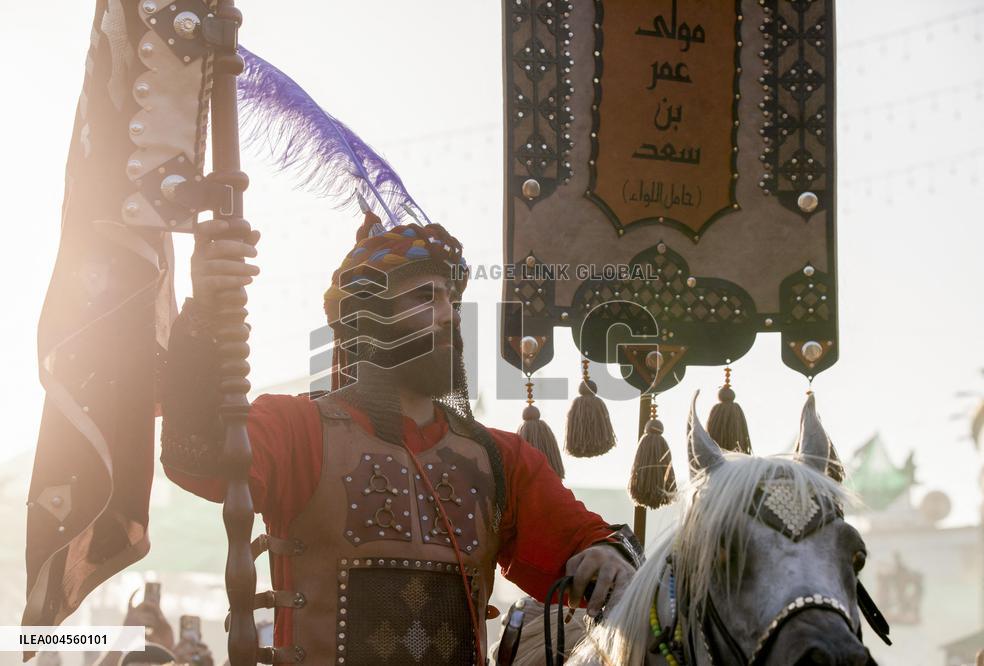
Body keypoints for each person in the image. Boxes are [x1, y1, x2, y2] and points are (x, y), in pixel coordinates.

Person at [160, 212, 642, 664]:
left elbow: (584, 544)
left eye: (452, 301)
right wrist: (207, 307)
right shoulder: (296, 428)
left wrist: (608, 556)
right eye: (426, 297)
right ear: (368, 321)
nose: (450, 315)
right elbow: (197, 454)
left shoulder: (500, 458)